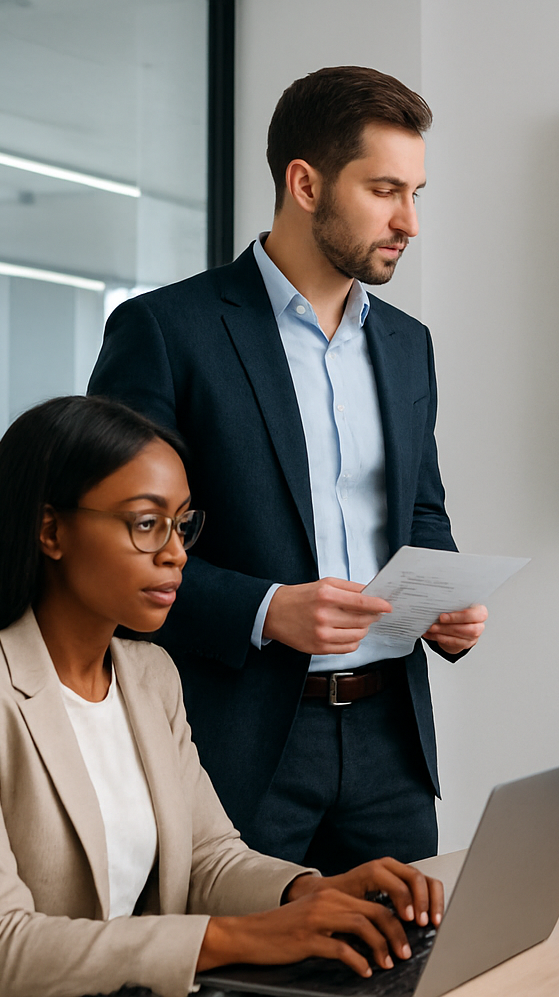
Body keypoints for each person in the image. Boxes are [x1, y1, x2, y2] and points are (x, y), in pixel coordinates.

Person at [0, 396, 444, 997]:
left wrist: (312, 892)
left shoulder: (150, 674)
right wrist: (244, 937)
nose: (175, 553)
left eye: (182, 524)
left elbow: (208, 859)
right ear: (51, 531)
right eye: (146, 523)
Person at [89, 67, 485, 871]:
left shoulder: (408, 345)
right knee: (240, 952)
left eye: (415, 193)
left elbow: (420, 511)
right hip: (237, 741)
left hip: (391, 739)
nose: (409, 221)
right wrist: (266, 610)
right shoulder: (167, 330)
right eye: (385, 190)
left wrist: (441, 598)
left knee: (407, 946)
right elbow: (118, 548)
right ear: (305, 184)